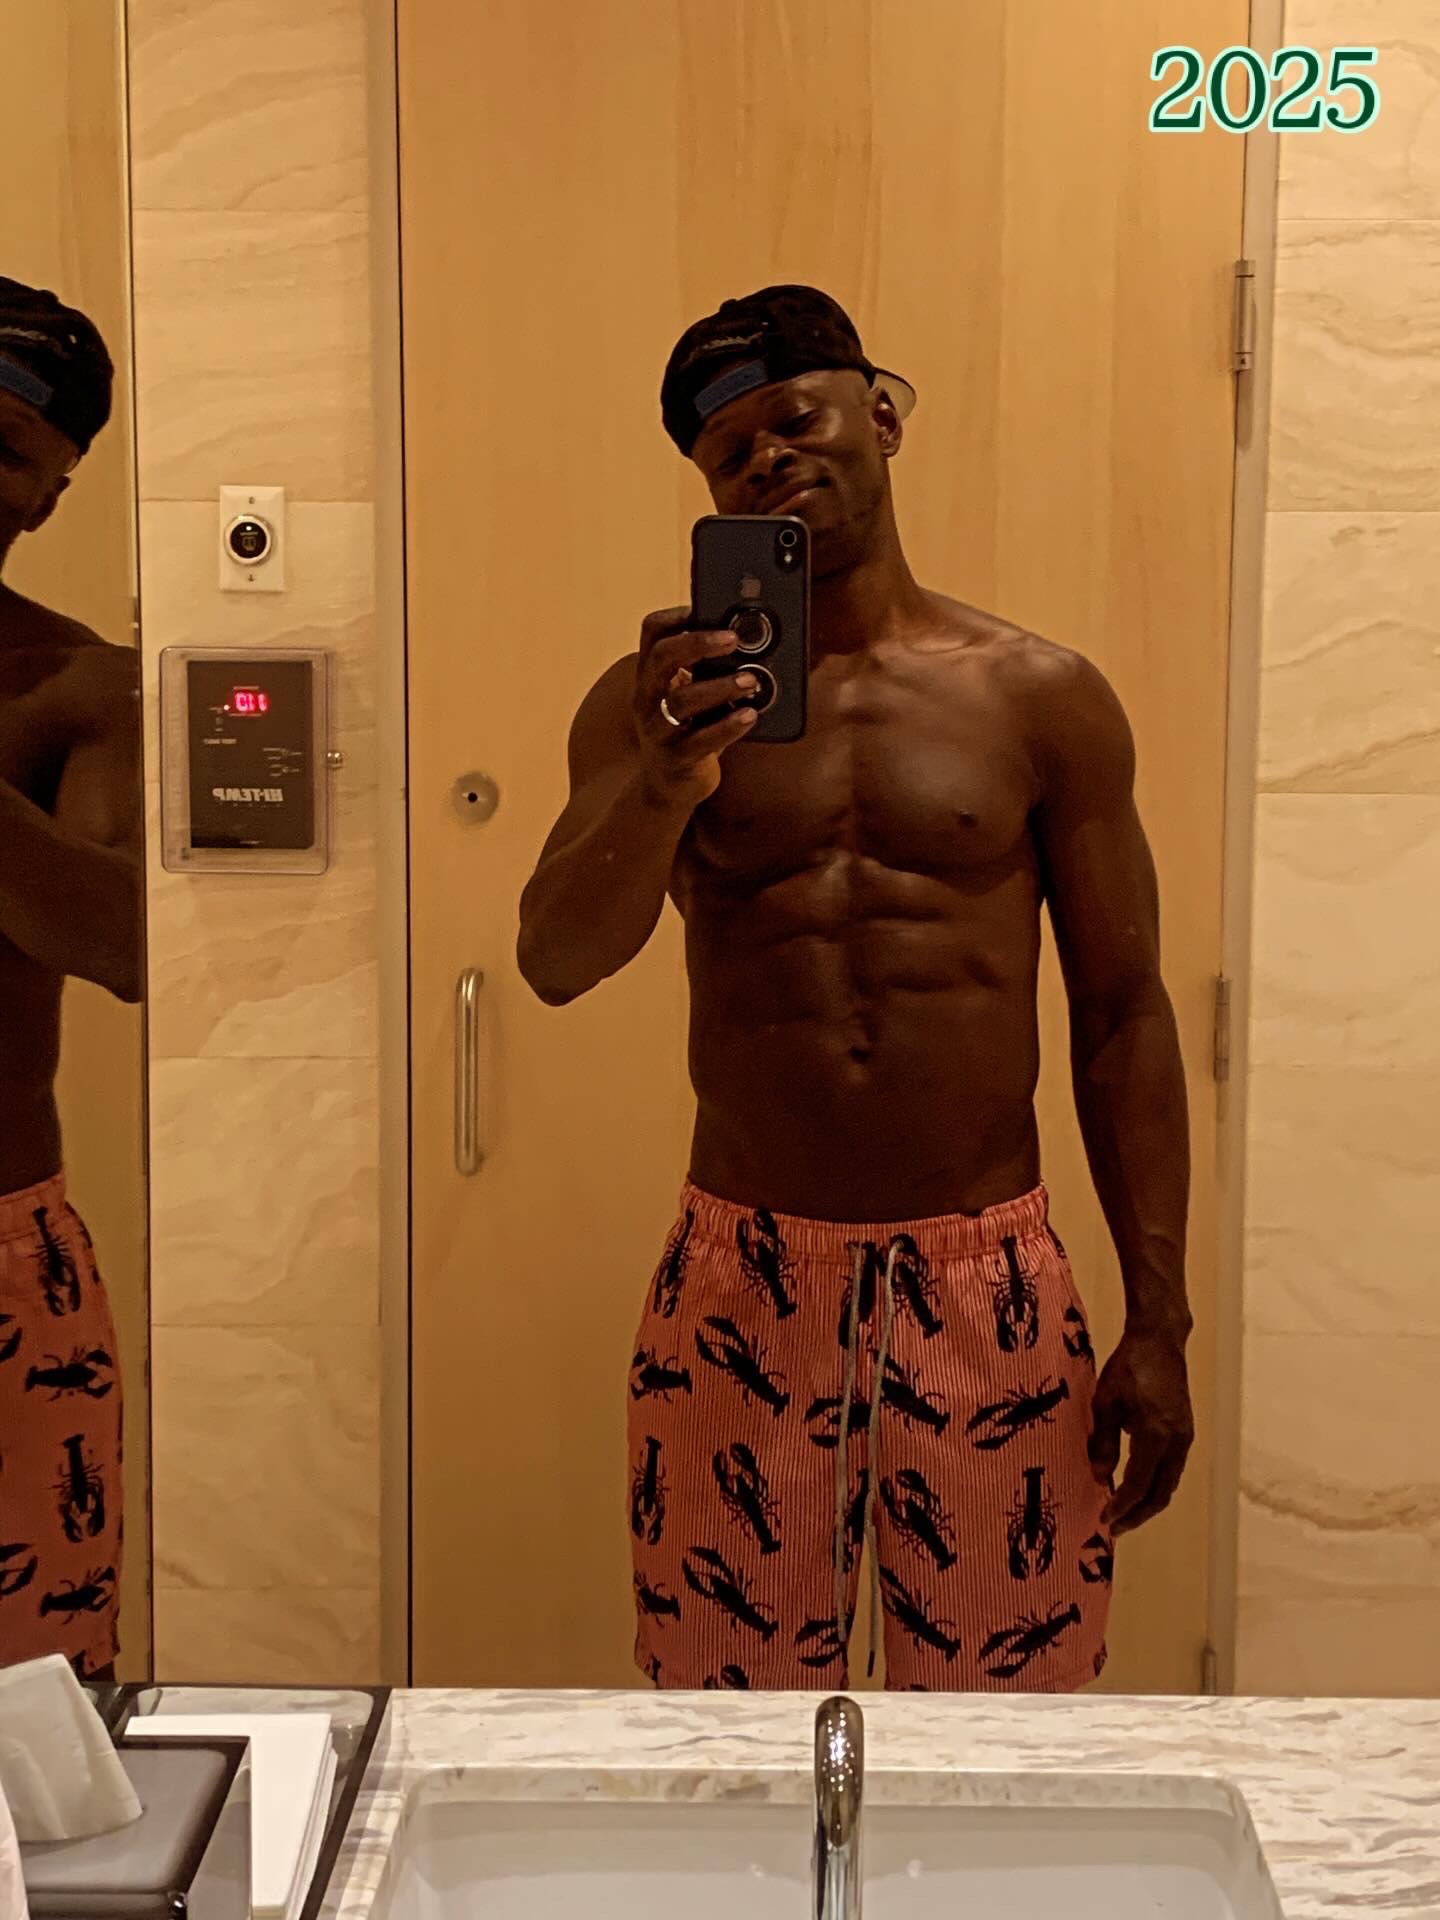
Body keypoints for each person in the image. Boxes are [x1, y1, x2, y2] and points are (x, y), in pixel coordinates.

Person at [518, 284, 1193, 1692]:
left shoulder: (1040, 698)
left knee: (1008, 1715)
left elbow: (1123, 1014)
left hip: (987, 1276)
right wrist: (664, 778)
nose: (768, 458)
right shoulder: (654, 708)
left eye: (796, 419)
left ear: (881, 415)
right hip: (743, 1273)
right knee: (729, 1717)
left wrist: (1161, 1318)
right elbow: (558, 961)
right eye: (730, 453)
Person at [0, 276, 140, 1681]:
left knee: (32, 1717)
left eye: (1, 451)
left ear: (50, 492)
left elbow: (127, 944)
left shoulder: (82, 686)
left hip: (4, 1250)